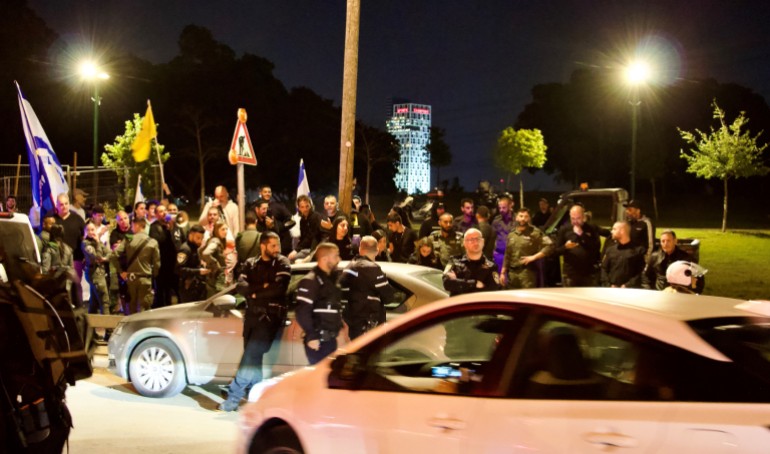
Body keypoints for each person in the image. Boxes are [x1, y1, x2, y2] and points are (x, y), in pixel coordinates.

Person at [218, 232, 291, 412]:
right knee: (254, 358)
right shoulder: (251, 263)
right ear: (263, 246)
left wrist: (254, 292)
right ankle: (256, 397)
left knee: (250, 357)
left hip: (270, 318)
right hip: (251, 317)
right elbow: (241, 286)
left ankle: (233, 398)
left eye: (278, 245)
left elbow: (278, 289)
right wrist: (259, 289)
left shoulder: (282, 263)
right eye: (273, 246)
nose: (277, 249)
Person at [341, 236, 397, 340]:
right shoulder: (373, 269)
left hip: (352, 324)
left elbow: (342, 293)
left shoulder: (348, 268)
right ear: (377, 251)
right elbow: (389, 297)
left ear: (360, 249)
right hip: (369, 325)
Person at [296, 243, 343, 365]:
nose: (339, 260)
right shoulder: (310, 281)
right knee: (318, 376)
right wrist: (312, 336)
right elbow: (302, 311)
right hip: (318, 341)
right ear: (324, 259)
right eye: (335, 256)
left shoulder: (330, 281)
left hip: (330, 340)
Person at [112, 217, 160, 314]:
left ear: (137, 225)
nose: (132, 228)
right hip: (145, 279)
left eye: (133, 225)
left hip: (131, 279)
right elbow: (157, 264)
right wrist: (153, 276)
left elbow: (114, 255)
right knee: (144, 309)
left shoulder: (128, 239)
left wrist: (121, 271)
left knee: (131, 308)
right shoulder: (153, 242)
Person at [500, 208, 553, 289]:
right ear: (516, 217)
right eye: (521, 216)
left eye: (526, 216)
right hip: (512, 273)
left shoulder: (535, 232)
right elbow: (507, 254)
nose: (523, 219)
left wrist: (534, 257)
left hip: (527, 273)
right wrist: (503, 272)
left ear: (529, 218)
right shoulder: (511, 234)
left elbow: (550, 246)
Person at [553, 205, 602, 287]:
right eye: (573, 218)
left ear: (583, 217)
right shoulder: (564, 229)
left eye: (578, 218)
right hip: (570, 273)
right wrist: (565, 247)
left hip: (588, 273)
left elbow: (596, 248)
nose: (575, 221)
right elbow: (556, 251)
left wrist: (582, 235)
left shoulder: (591, 228)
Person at [443, 228, 501, 296]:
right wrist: (475, 283)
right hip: (459, 305)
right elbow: (447, 284)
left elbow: (492, 291)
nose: (475, 242)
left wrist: (459, 282)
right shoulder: (455, 262)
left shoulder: (491, 266)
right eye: (471, 240)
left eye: (478, 239)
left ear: (483, 242)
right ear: (464, 243)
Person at [53, 193, 86, 306]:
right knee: (60, 286)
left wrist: (84, 256)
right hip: (57, 261)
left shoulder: (77, 219)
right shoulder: (53, 220)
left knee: (75, 285)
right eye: (61, 204)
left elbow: (84, 238)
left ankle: (79, 308)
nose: (64, 206)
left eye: (66, 204)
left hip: (75, 259)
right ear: (57, 205)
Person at [601, 221, 645, 288]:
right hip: (610, 291)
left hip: (630, 291)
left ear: (622, 231)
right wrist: (609, 285)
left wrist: (627, 285)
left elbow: (640, 272)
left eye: (614, 229)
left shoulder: (638, 251)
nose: (611, 231)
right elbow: (604, 269)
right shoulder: (610, 250)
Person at [149, 204, 178, 308]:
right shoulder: (154, 227)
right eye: (161, 211)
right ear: (156, 215)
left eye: (165, 210)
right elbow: (158, 241)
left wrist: (172, 228)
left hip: (171, 262)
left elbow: (177, 240)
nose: (164, 213)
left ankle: (170, 306)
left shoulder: (172, 225)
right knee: (160, 289)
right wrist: (168, 230)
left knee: (169, 289)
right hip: (160, 263)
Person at [82, 221, 112, 314]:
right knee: (104, 300)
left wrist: (104, 258)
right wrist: (98, 243)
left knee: (94, 302)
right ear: (85, 232)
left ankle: (90, 327)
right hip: (95, 273)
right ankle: (108, 327)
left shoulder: (97, 242)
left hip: (100, 272)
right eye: (88, 230)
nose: (91, 232)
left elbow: (109, 253)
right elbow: (96, 257)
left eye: (93, 229)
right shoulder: (86, 243)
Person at [176, 224, 209, 303]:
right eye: (198, 238)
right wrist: (198, 271)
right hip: (188, 287)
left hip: (196, 286)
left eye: (202, 238)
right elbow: (179, 269)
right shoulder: (185, 249)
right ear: (191, 235)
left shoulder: (195, 247)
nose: (200, 241)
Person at [289, 194, 323, 262]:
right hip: (305, 248)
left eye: (307, 206)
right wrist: (296, 249)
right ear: (298, 207)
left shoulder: (316, 217)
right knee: (290, 257)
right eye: (302, 207)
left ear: (310, 205)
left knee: (292, 259)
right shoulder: (302, 220)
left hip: (315, 248)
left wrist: (296, 250)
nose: (305, 209)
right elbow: (303, 238)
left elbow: (311, 237)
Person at [110, 210, 132, 312]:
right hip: (122, 267)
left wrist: (122, 246)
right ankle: (125, 312)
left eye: (125, 218)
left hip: (134, 266)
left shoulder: (133, 230)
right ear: (117, 222)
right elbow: (115, 249)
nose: (123, 221)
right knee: (124, 292)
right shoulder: (114, 234)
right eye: (120, 219)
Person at [200, 220, 228, 297]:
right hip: (216, 276)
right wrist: (215, 264)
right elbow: (205, 253)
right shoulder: (216, 241)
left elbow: (200, 251)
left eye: (226, 229)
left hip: (215, 275)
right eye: (222, 229)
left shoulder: (215, 240)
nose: (225, 231)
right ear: (216, 230)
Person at [491, 194, 515, 271]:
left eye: (504, 207)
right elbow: (492, 237)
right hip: (499, 255)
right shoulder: (496, 221)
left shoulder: (517, 220)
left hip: (513, 256)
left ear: (510, 206)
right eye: (500, 208)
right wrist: (493, 251)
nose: (501, 210)